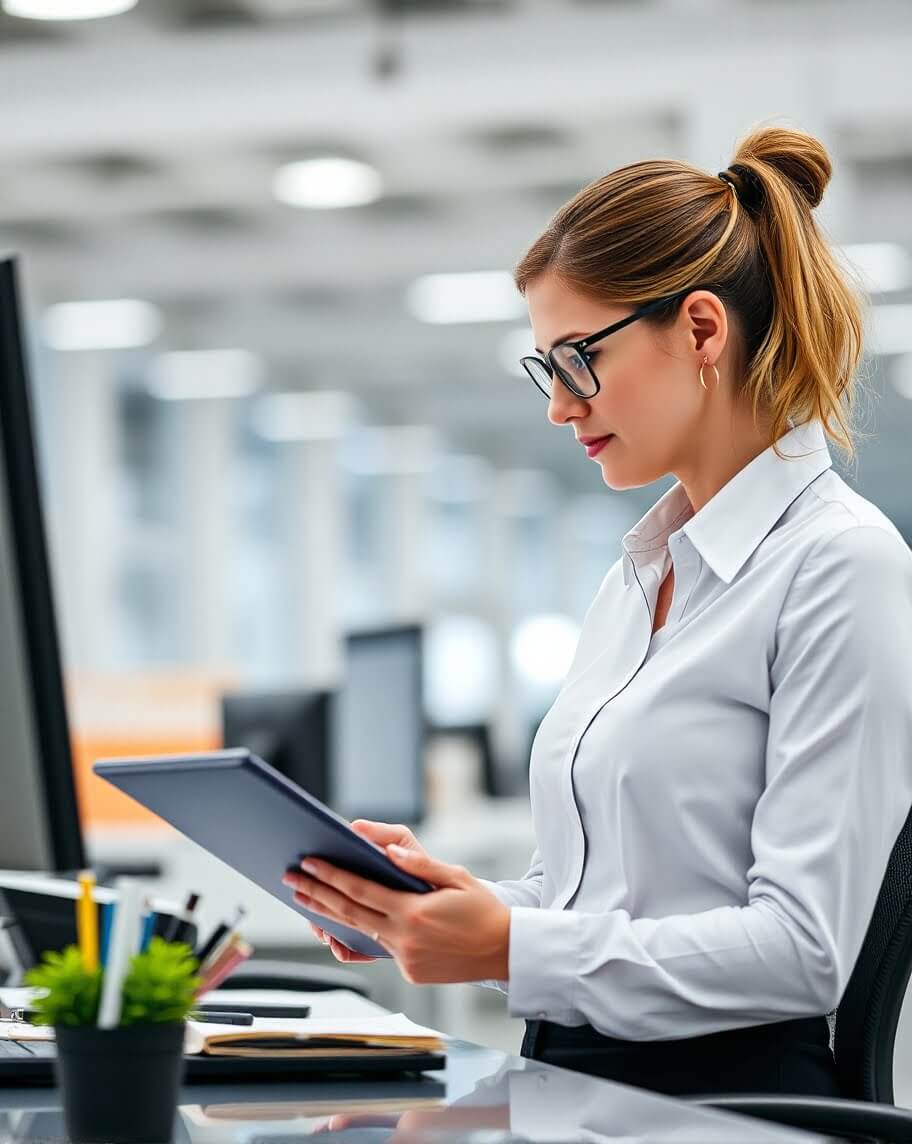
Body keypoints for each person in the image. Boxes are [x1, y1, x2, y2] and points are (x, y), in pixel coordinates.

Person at [280, 124, 912, 1098]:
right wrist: (443, 907)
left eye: (577, 358)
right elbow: (591, 894)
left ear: (701, 330)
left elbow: (802, 950)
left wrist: (509, 945)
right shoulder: (638, 577)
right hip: (578, 1080)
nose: (559, 406)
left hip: (724, 1103)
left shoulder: (840, 566)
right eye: (546, 369)